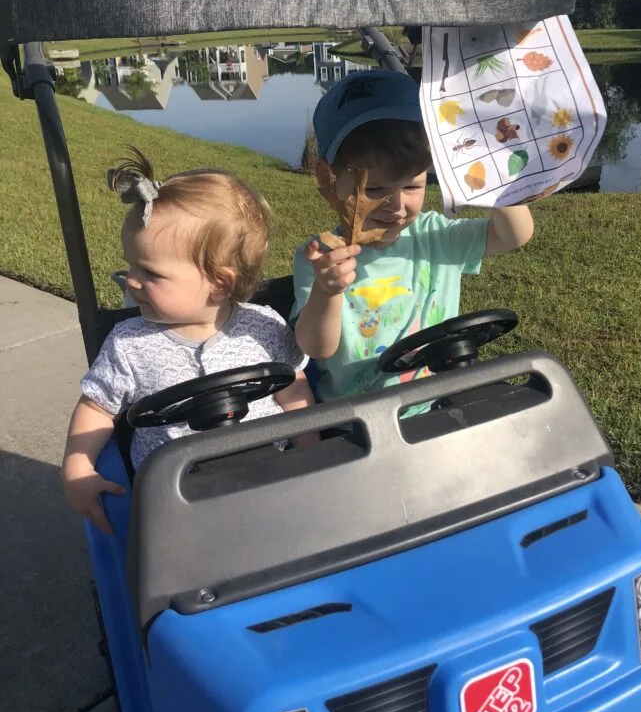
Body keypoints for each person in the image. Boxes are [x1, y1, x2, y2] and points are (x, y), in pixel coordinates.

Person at [62, 148, 313, 535]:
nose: (131, 281)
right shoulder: (129, 343)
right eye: (130, 265)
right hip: (173, 498)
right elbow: (96, 407)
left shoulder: (263, 328)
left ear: (220, 283)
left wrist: (310, 448)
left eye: (150, 273)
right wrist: (78, 467)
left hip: (271, 477)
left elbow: (293, 388)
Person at [291, 70, 534, 403]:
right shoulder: (320, 259)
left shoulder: (436, 236)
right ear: (327, 178)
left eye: (412, 185)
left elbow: (514, 235)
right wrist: (327, 291)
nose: (396, 205)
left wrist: (489, 176)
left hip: (438, 401)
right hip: (356, 421)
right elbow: (316, 348)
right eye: (374, 188)